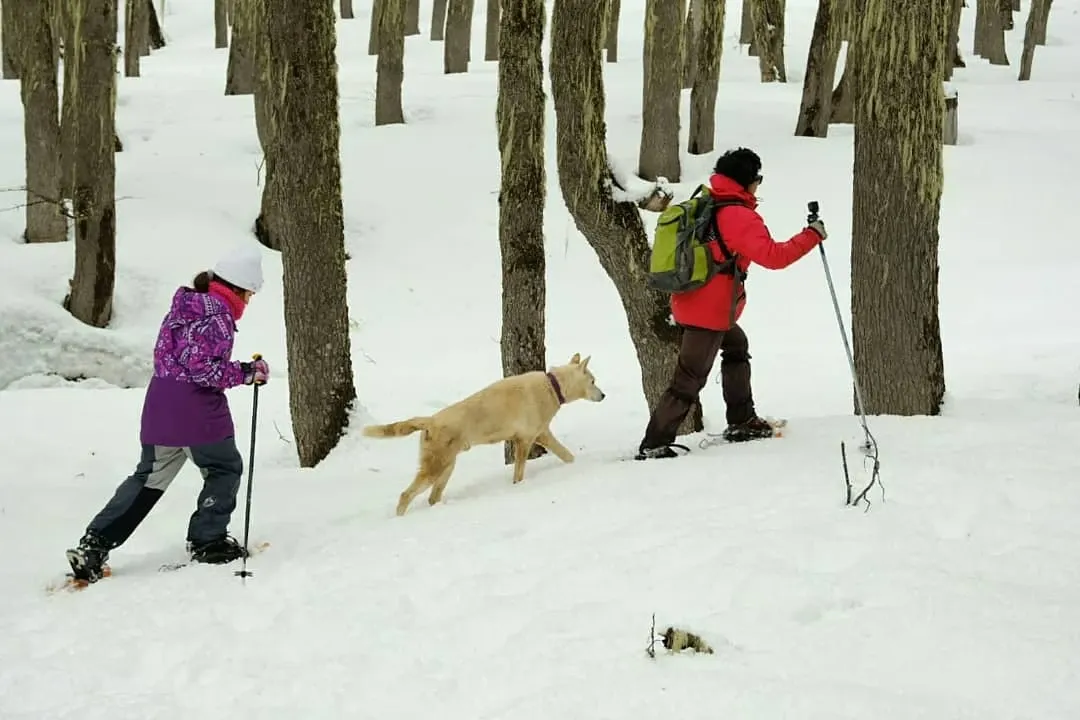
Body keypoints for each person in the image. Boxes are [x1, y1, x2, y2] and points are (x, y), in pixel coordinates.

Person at [65, 245, 271, 582]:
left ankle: (93, 545)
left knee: (149, 478)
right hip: (197, 410)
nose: (247, 302)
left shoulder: (185, 306)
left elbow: (176, 357)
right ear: (236, 288)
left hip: (161, 403)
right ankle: (208, 541)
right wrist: (247, 372)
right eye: (248, 294)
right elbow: (202, 369)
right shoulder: (218, 314)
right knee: (224, 468)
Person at [635, 147, 827, 460]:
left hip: (693, 301)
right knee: (689, 379)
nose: (758, 185)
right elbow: (775, 257)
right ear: (747, 181)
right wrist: (812, 235)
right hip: (707, 312)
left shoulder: (709, 200)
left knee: (736, 345)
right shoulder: (738, 215)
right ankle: (654, 444)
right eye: (758, 179)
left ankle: (742, 421)